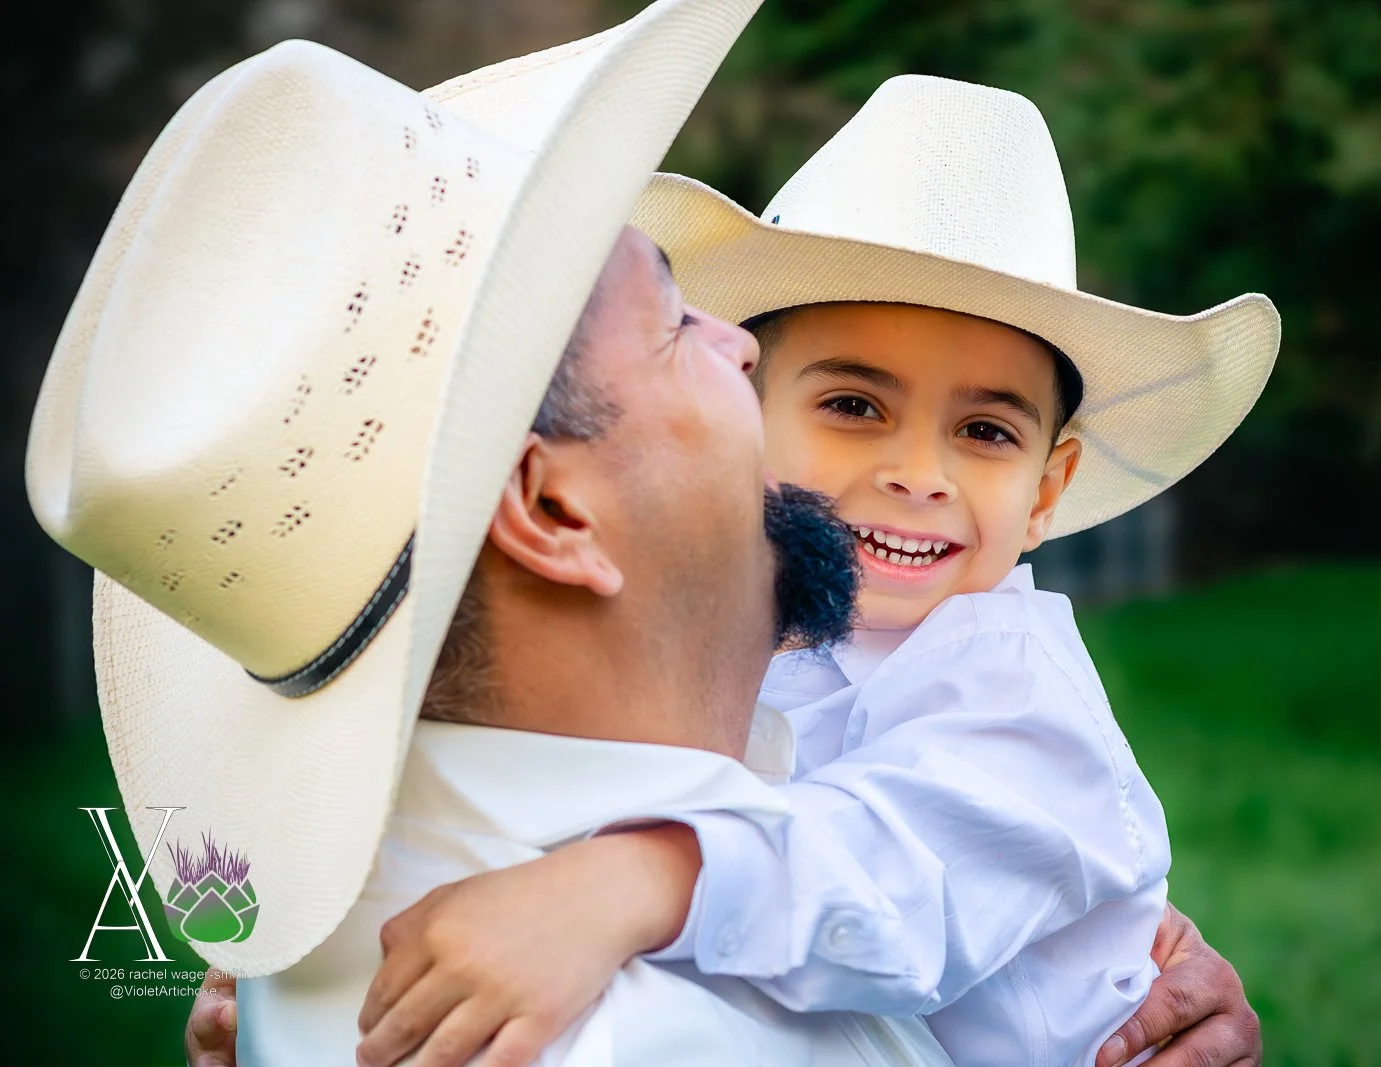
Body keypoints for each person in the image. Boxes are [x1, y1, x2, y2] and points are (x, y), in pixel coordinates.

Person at [29, 2, 958, 1064]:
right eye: (673, 324)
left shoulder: (324, 971)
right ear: (553, 511)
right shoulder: (653, 1038)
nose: (741, 344)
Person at [345, 78, 1277, 1067]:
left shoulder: (1012, 684)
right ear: (750, 406)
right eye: (854, 407)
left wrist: (635, 881)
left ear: (1047, 491)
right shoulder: (765, 639)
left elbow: (898, 872)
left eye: (985, 431)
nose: (918, 474)